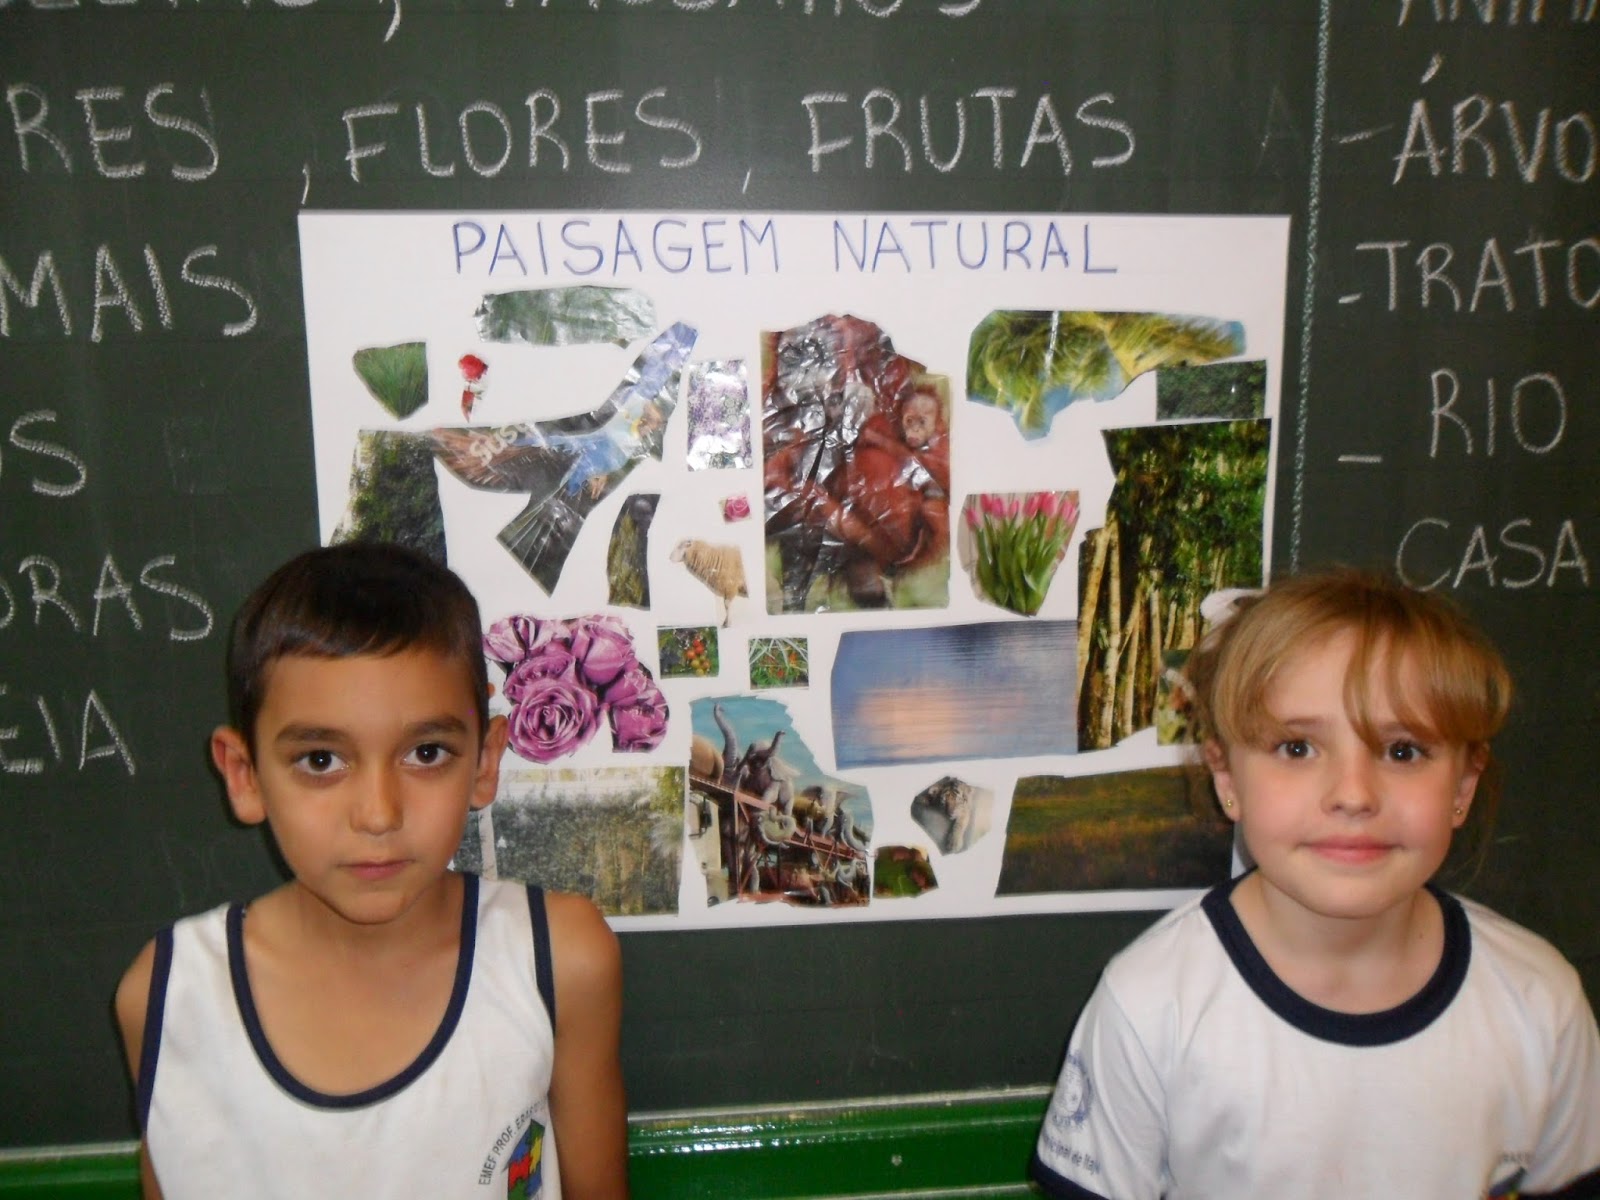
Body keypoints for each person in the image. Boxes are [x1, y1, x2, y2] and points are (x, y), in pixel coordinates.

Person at [1032, 568, 1600, 1199]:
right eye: (1297, 748)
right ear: (1226, 777)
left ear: (1464, 784)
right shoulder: (1151, 1005)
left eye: (1403, 751)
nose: (1353, 795)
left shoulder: (1540, 1004)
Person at [114, 542, 628, 1199]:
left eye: (426, 752)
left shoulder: (557, 959)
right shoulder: (169, 997)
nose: (379, 814)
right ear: (244, 775)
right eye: (321, 760)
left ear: (485, 760)